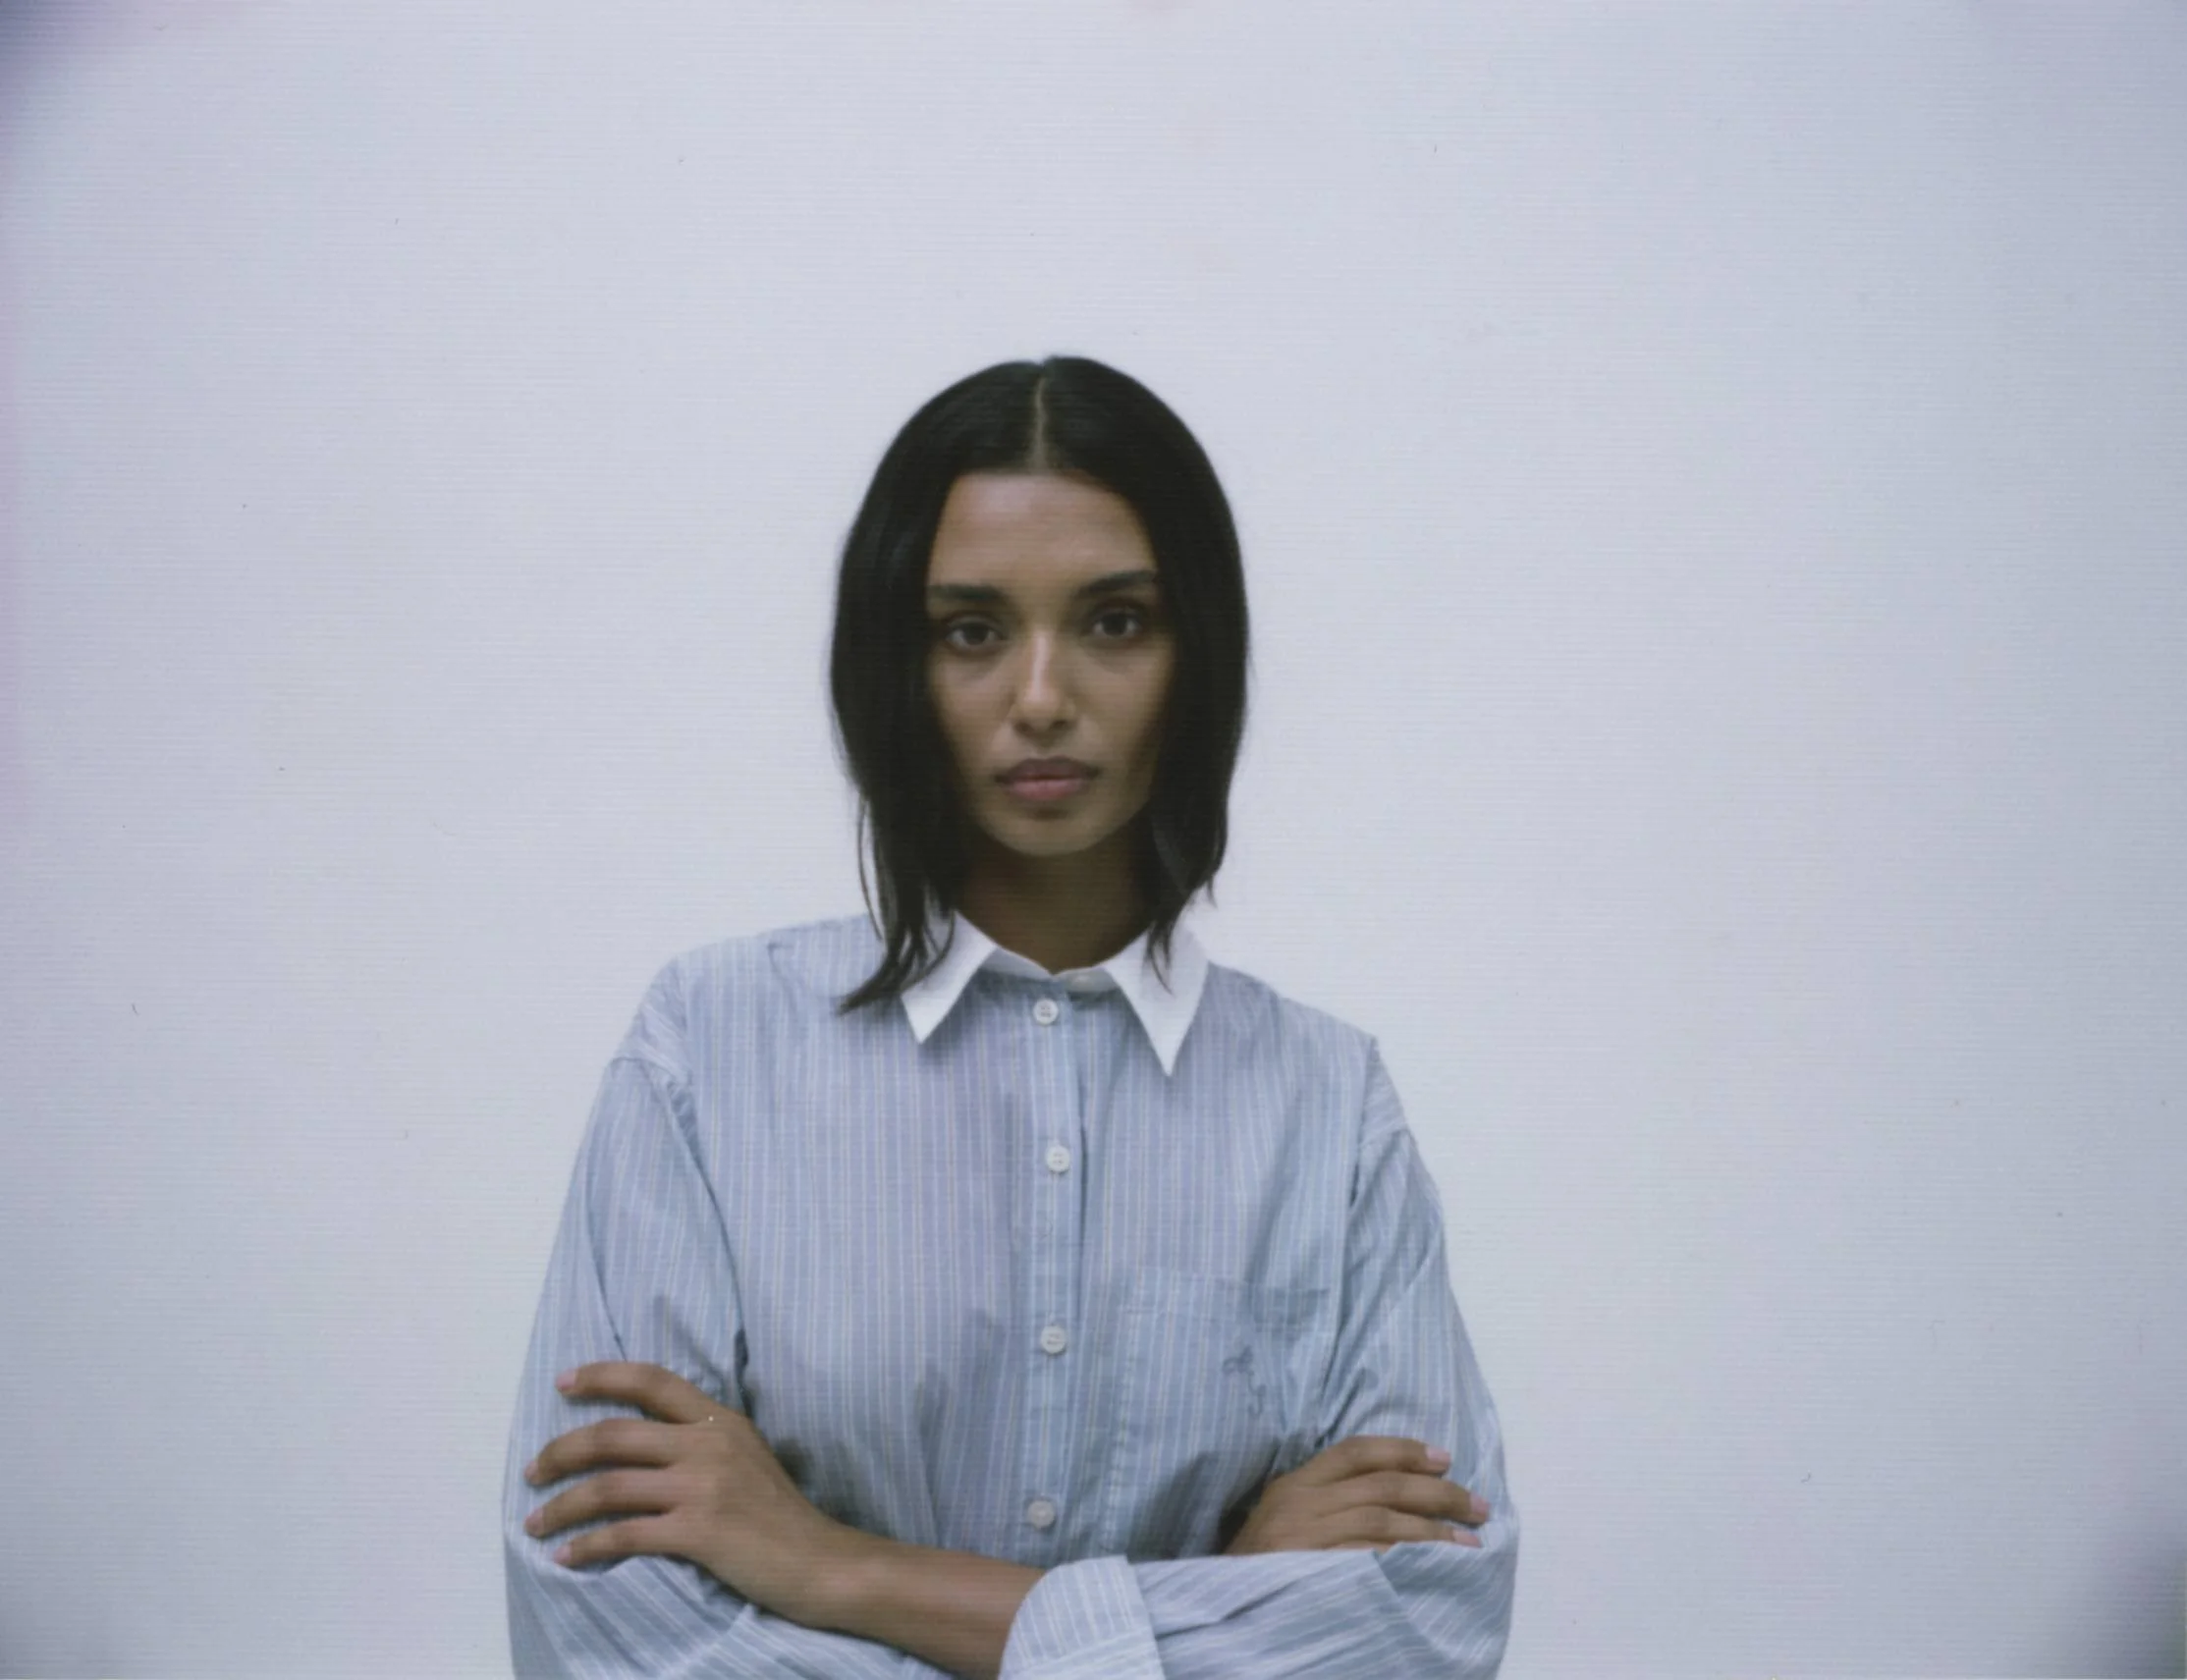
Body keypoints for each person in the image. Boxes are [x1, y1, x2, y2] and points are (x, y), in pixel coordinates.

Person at [502, 355, 1519, 1677]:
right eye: (971, 630)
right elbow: (609, 1633)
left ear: (1195, 651)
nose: (1041, 694)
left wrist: (833, 1563)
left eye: (1113, 621)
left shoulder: (1326, 1106)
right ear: (897, 661)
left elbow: (1422, 1631)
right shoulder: (707, 1050)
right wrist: (1220, 1597)